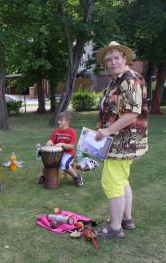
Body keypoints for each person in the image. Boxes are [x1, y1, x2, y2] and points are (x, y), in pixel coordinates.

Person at [95, 41, 148, 239]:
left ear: (124, 59)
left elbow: (131, 114)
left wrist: (107, 131)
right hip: (121, 140)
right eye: (109, 59)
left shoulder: (129, 79)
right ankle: (126, 219)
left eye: (116, 57)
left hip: (123, 141)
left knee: (111, 182)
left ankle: (115, 228)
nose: (113, 62)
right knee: (122, 180)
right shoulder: (116, 81)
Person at [37, 111, 83, 187]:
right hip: (57, 154)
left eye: (61, 121)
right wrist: (50, 141)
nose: (59, 122)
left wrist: (62, 144)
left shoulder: (72, 132)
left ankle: (76, 177)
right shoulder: (56, 132)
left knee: (64, 164)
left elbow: (71, 147)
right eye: (58, 120)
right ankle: (45, 176)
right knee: (48, 162)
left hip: (68, 154)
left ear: (67, 122)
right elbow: (52, 141)